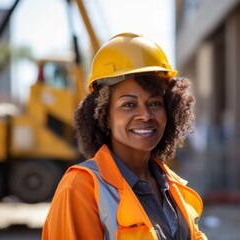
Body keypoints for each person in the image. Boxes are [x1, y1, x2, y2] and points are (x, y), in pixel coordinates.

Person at [42, 32, 207, 240]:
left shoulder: (174, 187)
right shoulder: (80, 188)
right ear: (104, 116)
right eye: (129, 104)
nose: (145, 115)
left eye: (155, 103)